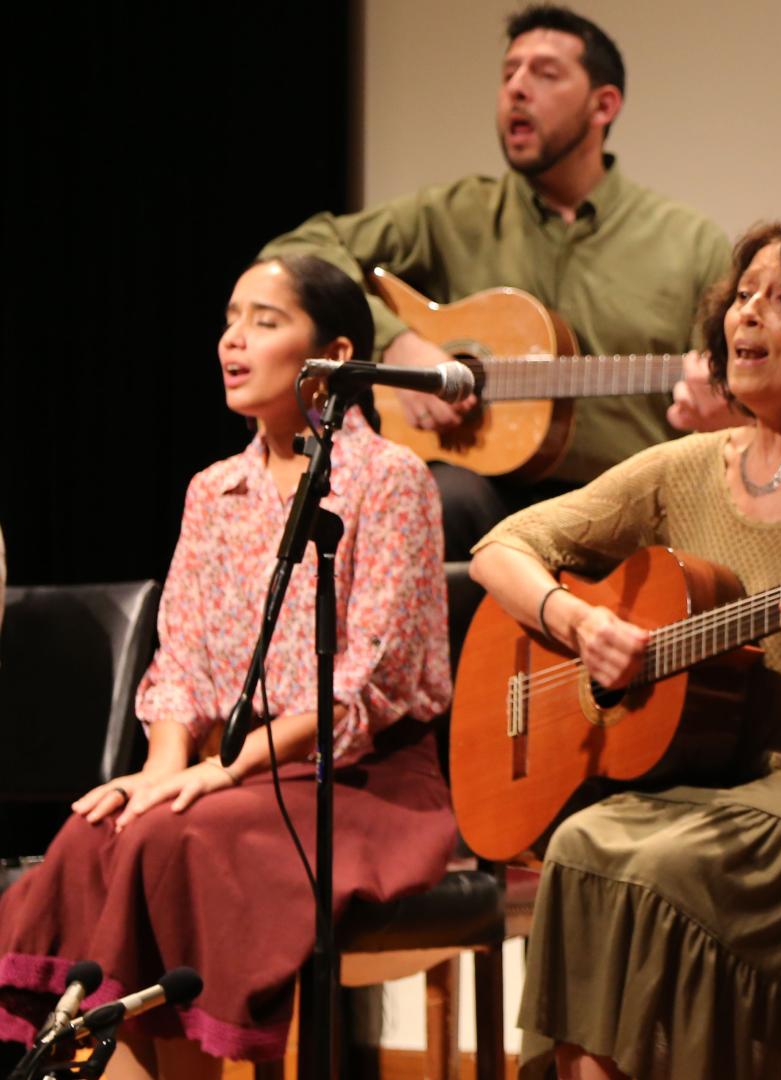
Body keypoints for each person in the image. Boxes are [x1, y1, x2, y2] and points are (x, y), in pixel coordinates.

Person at [470, 221, 781, 1080]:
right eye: (742, 297)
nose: (749, 315)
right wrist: (579, 624)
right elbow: (498, 548)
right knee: (582, 844)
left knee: (659, 867)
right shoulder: (684, 467)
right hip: (732, 786)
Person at [0, 255, 454, 1077]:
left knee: (169, 841)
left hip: (363, 784)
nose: (233, 341)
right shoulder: (214, 489)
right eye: (230, 319)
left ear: (337, 355)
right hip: (233, 777)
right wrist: (166, 766)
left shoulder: (392, 481)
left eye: (266, 321)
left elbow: (364, 685)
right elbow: (182, 659)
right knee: (100, 831)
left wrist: (219, 773)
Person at [262, 4, 731, 558]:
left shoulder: (691, 243)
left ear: (604, 105)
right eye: (509, 72)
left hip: (624, 504)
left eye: (545, 73)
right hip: (484, 492)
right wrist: (399, 342)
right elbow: (297, 250)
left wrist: (724, 411)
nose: (516, 89)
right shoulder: (456, 213)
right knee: (430, 502)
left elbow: (743, 396)